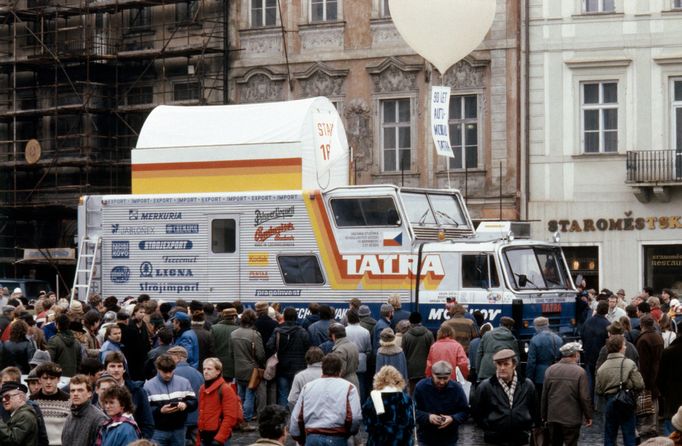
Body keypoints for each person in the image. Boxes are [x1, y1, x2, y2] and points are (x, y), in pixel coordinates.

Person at [289, 355, 362, 446]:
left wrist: (299, 438)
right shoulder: (349, 388)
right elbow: (354, 417)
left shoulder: (307, 387)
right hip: (337, 437)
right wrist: (349, 432)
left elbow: (296, 417)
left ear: (322, 369)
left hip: (312, 437)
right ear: (340, 370)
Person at [471, 349, 540, 445]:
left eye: (506, 364)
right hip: (494, 439)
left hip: (520, 438)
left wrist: (527, 424)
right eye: (499, 364)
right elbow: (477, 412)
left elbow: (534, 409)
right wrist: (489, 426)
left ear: (514, 365)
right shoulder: (485, 386)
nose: (502, 368)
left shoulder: (527, 385)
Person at [596, 335, 645, 446]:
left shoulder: (602, 368)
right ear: (620, 347)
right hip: (626, 401)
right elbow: (640, 384)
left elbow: (598, 390)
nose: (625, 347)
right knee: (629, 435)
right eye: (624, 345)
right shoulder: (629, 364)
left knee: (609, 435)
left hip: (610, 402)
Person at [541, 342, 593, 446]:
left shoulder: (550, 370)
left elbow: (544, 395)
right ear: (576, 354)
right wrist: (588, 416)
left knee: (555, 443)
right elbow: (584, 397)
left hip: (553, 416)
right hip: (571, 418)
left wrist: (544, 415)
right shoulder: (580, 372)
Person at [144, 354, 198, 446]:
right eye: (165, 372)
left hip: (179, 430)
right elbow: (145, 410)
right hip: (158, 431)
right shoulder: (148, 386)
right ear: (158, 369)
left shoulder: (184, 382)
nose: (168, 375)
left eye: (171, 371)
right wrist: (160, 410)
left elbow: (194, 402)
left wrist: (185, 405)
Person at [413, 360, 469, 446]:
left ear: (450, 376)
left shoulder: (457, 388)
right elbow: (413, 412)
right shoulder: (421, 387)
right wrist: (428, 417)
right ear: (432, 374)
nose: (442, 382)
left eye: (445, 378)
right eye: (439, 378)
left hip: (449, 438)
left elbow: (465, 412)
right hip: (426, 437)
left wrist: (452, 418)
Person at [102, 351, 155, 439]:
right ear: (105, 369)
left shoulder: (137, 391)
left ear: (124, 369)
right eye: (112, 366)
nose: (116, 370)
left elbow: (148, 423)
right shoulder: (100, 391)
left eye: (119, 366)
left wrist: (140, 442)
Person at [266, 307, 311, 408]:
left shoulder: (278, 331)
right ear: (296, 317)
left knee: (283, 393)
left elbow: (269, 345)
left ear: (284, 317)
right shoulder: (303, 331)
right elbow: (309, 348)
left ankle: (283, 417)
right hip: (299, 368)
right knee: (298, 394)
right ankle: (296, 416)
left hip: (282, 366)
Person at [362, 365, 415, 446]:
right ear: (398, 379)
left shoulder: (372, 399)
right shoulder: (405, 399)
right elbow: (411, 424)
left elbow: (367, 424)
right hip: (401, 441)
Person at [197, 357, 242, 446]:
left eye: (209, 369)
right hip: (204, 436)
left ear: (218, 371)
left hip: (218, 438)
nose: (205, 371)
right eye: (204, 369)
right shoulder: (202, 388)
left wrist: (219, 439)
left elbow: (230, 417)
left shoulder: (225, 389)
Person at [231, 309, 265, 425]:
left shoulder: (233, 334)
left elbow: (231, 353)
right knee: (250, 394)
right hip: (251, 369)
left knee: (240, 394)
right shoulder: (254, 335)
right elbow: (260, 355)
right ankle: (246, 417)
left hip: (237, 367)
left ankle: (239, 415)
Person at [167, 345, 204, 446]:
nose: (168, 360)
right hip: (196, 417)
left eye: (170, 358)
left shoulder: (172, 374)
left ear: (178, 358)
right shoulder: (198, 373)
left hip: (180, 419)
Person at [636, 315, 665, 439]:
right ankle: (653, 425)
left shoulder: (643, 340)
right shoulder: (658, 337)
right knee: (655, 399)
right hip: (657, 373)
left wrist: (641, 380)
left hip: (647, 375)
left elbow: (643, 363)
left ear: (642, 325)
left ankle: (648, 427)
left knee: (646, 401)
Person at [61, 374, 107, 446]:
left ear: (89, 393)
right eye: (73, 391)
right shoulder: (69, 417)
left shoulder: (99, 419)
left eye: (80, 390)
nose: (75, 394)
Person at [31, 362, 70, 446]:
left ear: (58, 379)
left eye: (52, 378)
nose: (48, 382)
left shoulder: (69, 401)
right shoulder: (31, 401)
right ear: (39, 379)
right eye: (45, 378)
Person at [526, 316, 562, 399]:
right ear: (547, 325)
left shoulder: (534, 340)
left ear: (536, 327)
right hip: (556, 373)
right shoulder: (558, 339)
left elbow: (531, 362)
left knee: (540, 400)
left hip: (540, 377)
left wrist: (529, 378)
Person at [581, 300, 611, 397]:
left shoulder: (587, 322)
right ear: (607, 310)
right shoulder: (608, 324)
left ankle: (590, 402)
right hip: (602, 357)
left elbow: (582, 336)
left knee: (590, 382)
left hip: (588, 356)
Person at [476, 317, 519, 382]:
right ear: (511, 327)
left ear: (500, 324)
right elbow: (516, 358)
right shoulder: (512, 339)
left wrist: (478, 371)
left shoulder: (487, 335)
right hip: (503, 373)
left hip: (485, 371)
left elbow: (479, 354)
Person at [402, 311, 434, 394]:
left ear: (410, 321)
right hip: (425, 368)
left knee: (412, 391)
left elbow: (403, 354)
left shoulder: (406, 336)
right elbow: (432, 353)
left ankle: (413, 406)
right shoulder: (429, 334)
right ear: (420, 320)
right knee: (425, 392)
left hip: (411, 369)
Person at [344, 310, 372, 402]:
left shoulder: (345, 330)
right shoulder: (365, 331)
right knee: (361, 384)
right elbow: (369, 349)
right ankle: (362, 404)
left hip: (348, 359)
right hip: (361, 360)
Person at [658, 332, 682, 435]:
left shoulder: (668, 352)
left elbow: (660, 378)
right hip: (671, 394)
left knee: (671, 432)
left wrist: (665, 392)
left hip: (672, 396)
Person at [0, 381, 38, 446]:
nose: (3, 400)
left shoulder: (26, 416)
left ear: (20, 397)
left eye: (7, 397)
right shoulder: (18, 414)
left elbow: (13, 440)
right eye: (1, 397)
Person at [121, 304, 151, 381]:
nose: (143, 314)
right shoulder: (130, 325)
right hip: (132, 357)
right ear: (135, 312)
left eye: (144, 312)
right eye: (140, 312)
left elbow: (146, 339)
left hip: (142, 357)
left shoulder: (143, 324)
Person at [211, 308, 239, 381]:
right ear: (234, 317)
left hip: (217, 366)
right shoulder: (238, 329)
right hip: (233, 367)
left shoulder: (214, 328)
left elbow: (211, 348)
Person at [329, 323, 360, 389]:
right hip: (354, 379)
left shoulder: (339, 350)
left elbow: (341, 371)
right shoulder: (353, 345)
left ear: (333, 335)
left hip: (344, 383)